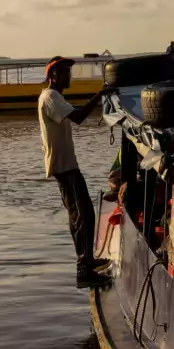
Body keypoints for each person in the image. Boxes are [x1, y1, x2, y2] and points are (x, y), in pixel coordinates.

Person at [39, 56, 117, 288]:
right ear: (53, 76)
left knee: (77, 214)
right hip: (64, 166)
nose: (68, 77)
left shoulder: (53, 96)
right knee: (84, 215)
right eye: (64, 73)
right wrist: (101, 94)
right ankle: (84, 269)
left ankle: (87, 261)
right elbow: (80, 117)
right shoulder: (51, 96)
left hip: (64, 164)